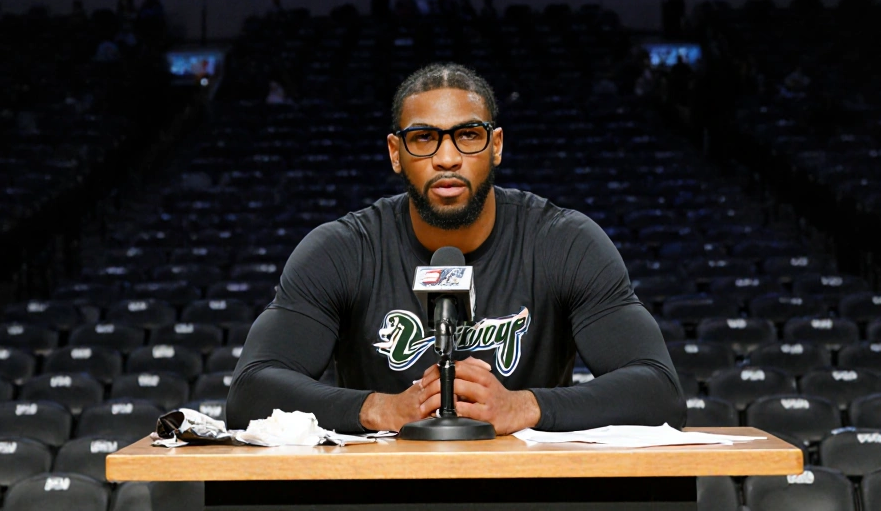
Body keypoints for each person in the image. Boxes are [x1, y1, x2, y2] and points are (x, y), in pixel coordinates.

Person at [227, 63, 687, 435]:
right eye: (424, 138)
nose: (447, 158)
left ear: (496, 145)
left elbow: (659, 390)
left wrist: (526, 407)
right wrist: (377, 409)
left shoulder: (563, 241)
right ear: (395, 152)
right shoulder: (343, 249)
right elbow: (249, 393)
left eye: (468, 135)